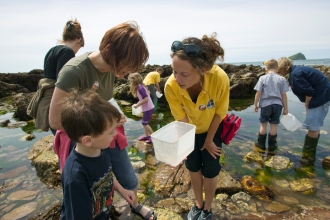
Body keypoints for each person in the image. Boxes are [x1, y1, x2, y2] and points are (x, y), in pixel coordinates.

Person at [49, 21, 156, 220]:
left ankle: (130, 204)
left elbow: (102, 100)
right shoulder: (75, 71)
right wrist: (99, 126)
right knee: (83, 189)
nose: (129, 71)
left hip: (104, 131)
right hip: (84, 137)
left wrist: (114, 115)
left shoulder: (110, 70)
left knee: (127, 179)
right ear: (115, 54)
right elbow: (55, 120)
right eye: (129, 64)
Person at [164, 33, 230, 220]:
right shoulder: (171, 86)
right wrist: (185, 145)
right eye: (174, 71)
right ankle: (198, 203)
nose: (177, 78)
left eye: (184, 74)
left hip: (212, 129)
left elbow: (220, 112)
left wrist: (209, 140)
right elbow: (182, 119)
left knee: (210, 169)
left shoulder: (219, 78)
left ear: (202, 70)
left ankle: (207, 208)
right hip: (188, 131)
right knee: (193, 167)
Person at [60, 89, 134, 219]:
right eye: (110, 132)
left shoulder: (102, 149)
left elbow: (106, 176)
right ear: (88, 140)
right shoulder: (75, 177)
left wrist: (122, 190)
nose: (115, 134)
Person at [27, 19, 84, 133]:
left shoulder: (52, 50)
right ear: (78, 40)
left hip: (46, 97)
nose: (77, 52)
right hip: (56, 98)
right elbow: (63, 80)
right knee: (64, 133)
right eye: (79, 48)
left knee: (57, 133)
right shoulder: (67, 52)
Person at [277, 57, 330, 161]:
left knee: (312, 126)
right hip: (324, 95)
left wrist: (307, 104)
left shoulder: (296, 75)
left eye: (280, 69)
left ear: (286, 67)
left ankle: (308, 155)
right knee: (315, 125)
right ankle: (311, 152)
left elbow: (309, 92)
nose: (278, 72)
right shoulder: (296, 71)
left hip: (321, 98)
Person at [253, 59, 289, 153]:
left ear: (266, 69)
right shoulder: (282, 79)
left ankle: (261, 144)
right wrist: (285, 108)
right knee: (274, 125)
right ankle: (272, 145)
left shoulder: (262, 78)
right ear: (277, 68)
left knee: (263, 124)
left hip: (265, 105)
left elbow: (258, 93)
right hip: (278, 105)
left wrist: (255, 104)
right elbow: (284, 95)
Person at [129, 72, 154, 144]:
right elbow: (145, 97)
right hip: (147, 108)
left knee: (144, 123)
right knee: (145, 122)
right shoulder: (141, 86)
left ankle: (153, 136)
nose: (130, 82)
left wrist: (138, 105)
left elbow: (146, 99)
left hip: (148, 108)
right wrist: (139, 103)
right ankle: (146, 135)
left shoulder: (140, 88)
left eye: (131, 80)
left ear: (135, 80)